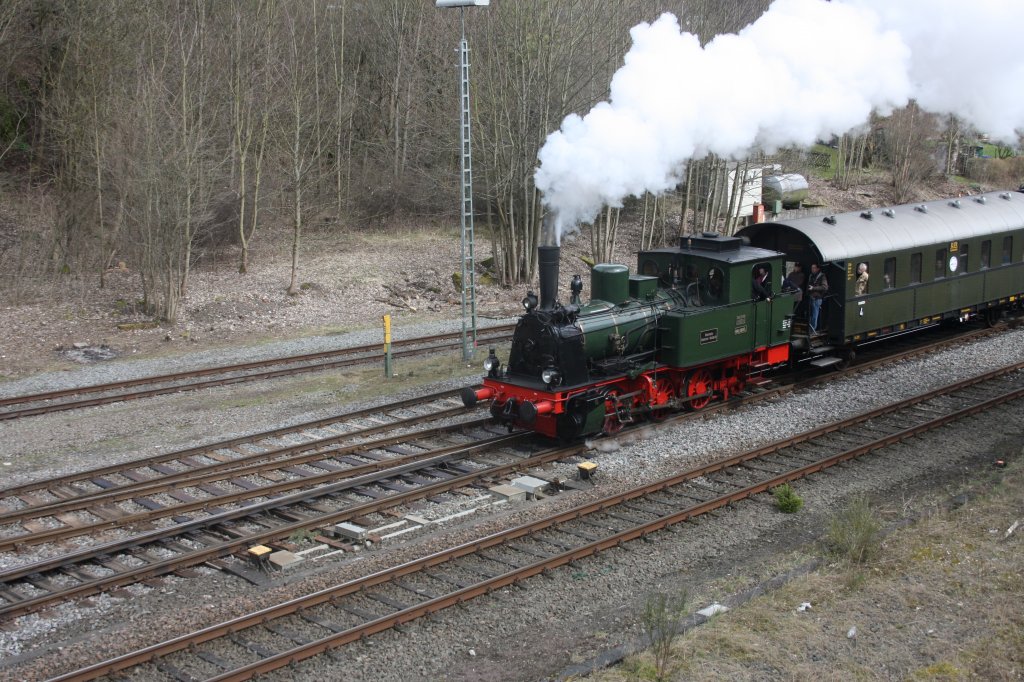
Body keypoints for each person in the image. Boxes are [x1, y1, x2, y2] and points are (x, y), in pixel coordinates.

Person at [808, 263, 828, 333]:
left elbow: (825, 287)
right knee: (810, 315)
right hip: (811, 297)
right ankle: (810, 329)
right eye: (812, 268)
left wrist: (813, 288)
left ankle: (813, 330)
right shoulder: (811, 276)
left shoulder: (822, 276)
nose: (812, 269)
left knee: (814, 315)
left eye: (814, 268)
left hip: (817, 298)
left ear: (818, 268)